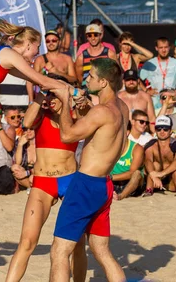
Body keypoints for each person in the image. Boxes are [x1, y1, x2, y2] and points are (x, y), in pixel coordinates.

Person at [48, 58, 128, 282]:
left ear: (103, 82)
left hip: (86, 183)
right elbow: (114, 143)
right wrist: (86, 110)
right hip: (105, 184)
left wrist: (65, 104)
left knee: (59, 251)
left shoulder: (101, 111)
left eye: (91, 76)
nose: (86, 80)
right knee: (100, 249)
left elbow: (67, 135)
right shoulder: (123, 108)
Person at [6, 87, 86, 282]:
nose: (51, 99)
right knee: (27, 243)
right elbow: (25, 122)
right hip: (42, 182)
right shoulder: (41, 115)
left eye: (54, 94)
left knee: (77, 244)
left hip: (70, 179)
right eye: (49, 94)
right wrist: (41, 93)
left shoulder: (75, 117)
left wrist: (77, 96)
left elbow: (88, 109)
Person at [140, 37, 176, 111]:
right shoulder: (149, 63)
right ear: (156, 48)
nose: (163, 50)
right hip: (154, 102)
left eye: (166, 47)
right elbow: (138, 80)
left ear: (169, 48)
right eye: (161, 47)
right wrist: (146, 90)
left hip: (171, 101)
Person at [143, 116, 176, 196]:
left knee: (175, 168)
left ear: (170, 131)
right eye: (159, 129)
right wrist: (154, 175)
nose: (162, 131)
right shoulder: (151, 144)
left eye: (165, 129)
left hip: (171, 180)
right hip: (156, 178)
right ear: (155, 130)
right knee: (154, 165)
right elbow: (147, 160)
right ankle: (149, 190)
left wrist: (161, 174)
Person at [110, 126, 144, 201]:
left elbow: (132, 173)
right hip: (113, 182)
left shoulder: (137, 148)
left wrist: (111, 177)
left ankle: (120, 196)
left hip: (131, 184)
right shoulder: (109, 147)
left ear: (127, 133)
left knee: (137, 173)